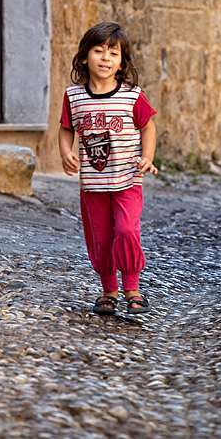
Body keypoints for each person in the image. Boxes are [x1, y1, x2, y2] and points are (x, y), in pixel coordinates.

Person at [58, 22, 158, 315]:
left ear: (121, 62)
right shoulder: (74, 96)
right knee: (100, 237)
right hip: (92, 183)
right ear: (85, 56)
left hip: (128, 178)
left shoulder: (132, 95)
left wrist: (147, 156)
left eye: (113, 53)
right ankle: (108, 291)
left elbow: (148, 127)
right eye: (98, 51)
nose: (105, 58)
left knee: (126, 230)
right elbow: (66, 128)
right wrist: (65, 151)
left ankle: (132, 288)